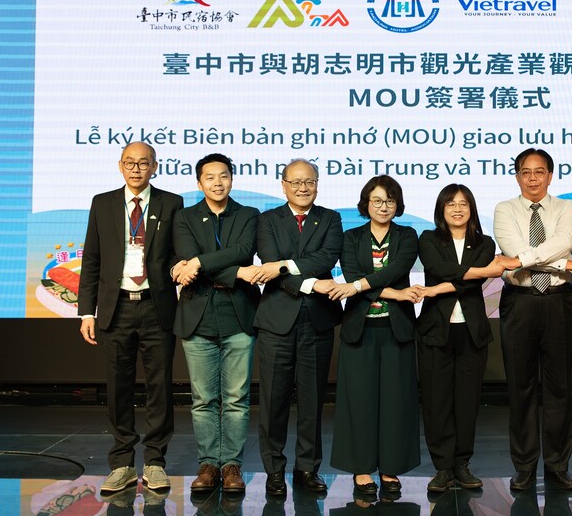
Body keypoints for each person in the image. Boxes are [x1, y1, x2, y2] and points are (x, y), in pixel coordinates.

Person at [78, 142, 183, 495]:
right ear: (120, 165)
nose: (136, 168)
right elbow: (92, 259)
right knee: (117, 388)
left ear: (155, 166)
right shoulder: (102, 203)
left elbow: (176, 253)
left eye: (143, 163)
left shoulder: (171, 203)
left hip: (157, 306)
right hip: (116, 307)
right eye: (130, 162)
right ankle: (122, 463)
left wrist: (180, 269)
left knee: (160, 387)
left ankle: (155, 462)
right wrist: (87, 311)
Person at [493, 148, 572, 491]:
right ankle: (523, 468)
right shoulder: (504, 209)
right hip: (519, 302)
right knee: (520, 388)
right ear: (517, 176)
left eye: (539, 172)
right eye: (526, 172)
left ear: (550, 175)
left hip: (557, 301)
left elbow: (561, 244)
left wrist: (524, 260)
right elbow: (513, 247)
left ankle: (558, 466)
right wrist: (563, 263)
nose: (532, 178)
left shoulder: (567, 208)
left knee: (558, 387)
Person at [253, 159, 343, 497]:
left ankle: (307, 468)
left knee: (312, 400)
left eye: (309, 182)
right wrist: (310, 283)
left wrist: (285, 265)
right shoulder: (267, 220)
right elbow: (268, 261)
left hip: (317, 320)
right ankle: (274, 470)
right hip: (277, 321)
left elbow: (326, 258)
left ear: (317, 184)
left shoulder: (331, 218)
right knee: (273, 400)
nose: (303, 188)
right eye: (296, 182)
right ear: (284, 185)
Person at [172, 153, 260, 494]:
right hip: (198, 318)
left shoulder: (249, 215)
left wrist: (198, 262)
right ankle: (209, 464)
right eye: (210, 177)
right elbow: (192, 260)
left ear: (232, 179)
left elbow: (243, 250)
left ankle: (232, 465)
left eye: (223, 176)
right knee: (203, 399)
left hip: (239, 316)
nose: (217, 182)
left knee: (237, 398)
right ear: (199, 183)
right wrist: (235, 272)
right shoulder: (185, 217)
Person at [328, 175, 421, 494]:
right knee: (360, 402)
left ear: (398, 204)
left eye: (390, 201)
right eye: (377, 200)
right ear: (366, 204)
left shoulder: (407, 235)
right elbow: (352, 274)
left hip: (396, 330)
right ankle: (362, 468)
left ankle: (391, 468)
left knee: (396, 401)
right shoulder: (351, 237)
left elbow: (395, 270)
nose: (383, 207)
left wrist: (357, 287)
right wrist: (396, 294)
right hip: (360, 329)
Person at [417, 183, 510, 492]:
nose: (457, 209)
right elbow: (439, 268)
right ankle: (443, 468)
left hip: (471, 332)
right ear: (441, 209)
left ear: (471, 209)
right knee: (436, 401)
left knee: (467, 402)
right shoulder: (428, 239)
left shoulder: (484, 242)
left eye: (463, 204)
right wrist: (484, 271)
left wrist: (440, 286)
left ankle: (462, 464)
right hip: (435, 330)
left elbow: (468, 283)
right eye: (451, 204)